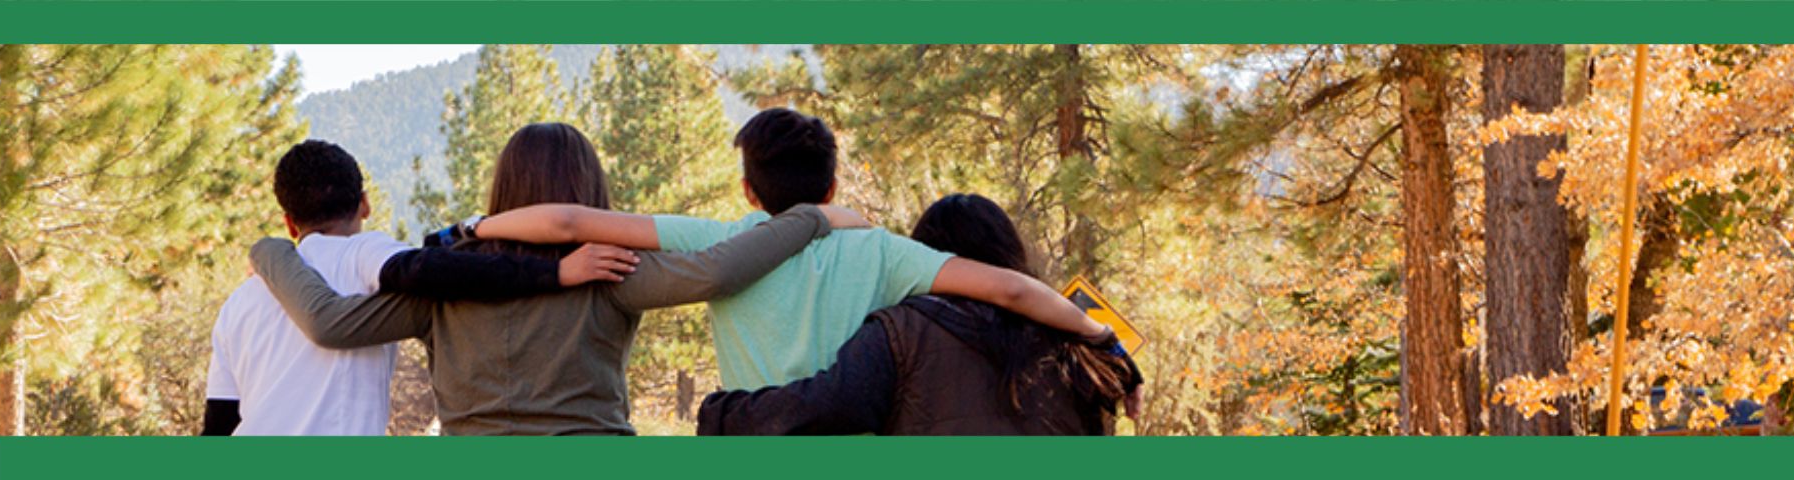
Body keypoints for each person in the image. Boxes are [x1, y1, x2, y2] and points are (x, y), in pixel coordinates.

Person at [246, 123, 869, 435]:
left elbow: (330, 321)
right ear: (588, 191)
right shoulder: (608, 266)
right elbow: (722, 269)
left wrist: (274, 250)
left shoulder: (447, 276)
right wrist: (808, 219)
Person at [450, 108, 1113, 391]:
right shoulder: (881, 252)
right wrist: (1097, 333)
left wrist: (473, 228)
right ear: (832, 185)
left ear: (746, 189)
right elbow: (1008, 288)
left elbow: (568, 220)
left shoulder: (720, 238)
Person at [203, 140, 641, 436]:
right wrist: (557, 272)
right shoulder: (365, 253)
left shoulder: (238, 303)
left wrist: (268, 252)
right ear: (365, 204)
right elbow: (428, 269)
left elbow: (219, 423)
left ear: (288, 221)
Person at [697, 194, 1144, 435]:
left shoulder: (899, 331)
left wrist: (725, 414)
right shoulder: (1069, 340)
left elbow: (827, 407)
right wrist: (1109, 347)